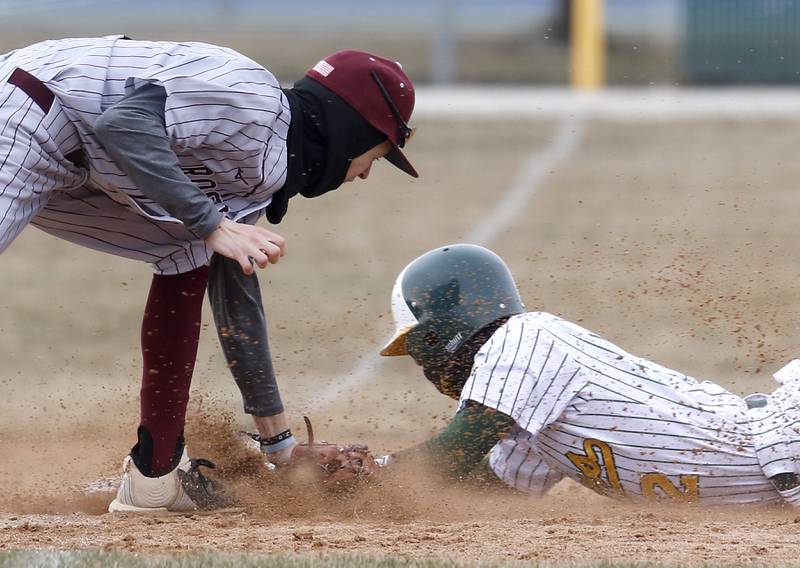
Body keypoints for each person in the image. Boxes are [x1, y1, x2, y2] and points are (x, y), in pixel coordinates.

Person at [0, 36, 417, 513]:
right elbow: (126, 123)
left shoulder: (264, 171)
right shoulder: (253, 101)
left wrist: (278, 445)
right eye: (378, 153)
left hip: (69, 156)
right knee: (194, 236)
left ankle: (153, 478)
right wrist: (210, 223)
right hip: (24, 109)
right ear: (352, 130)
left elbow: (236, 301)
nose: (365, 173)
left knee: (185, 253)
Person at [378, 244, 800, 507]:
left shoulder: (524, 339)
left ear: (436, 334)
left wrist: (370, 473)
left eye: (418, 350)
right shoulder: (532, 416)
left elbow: (455, 451)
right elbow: (484, 491)